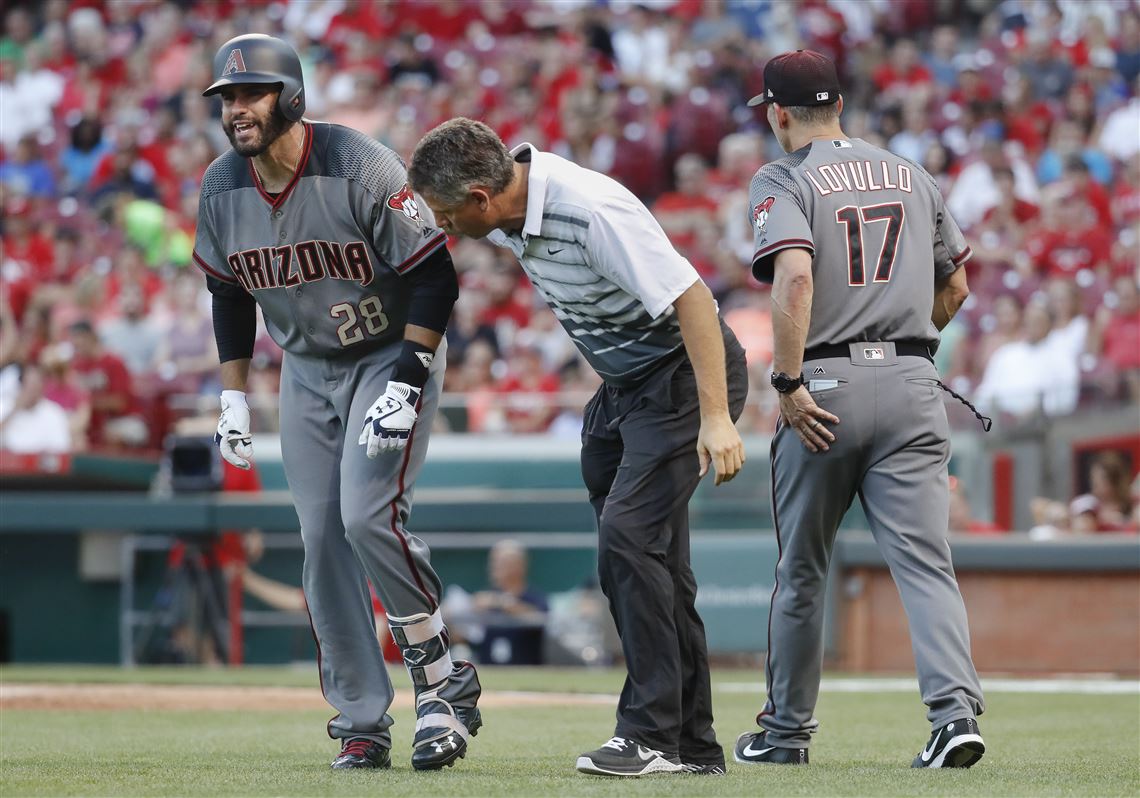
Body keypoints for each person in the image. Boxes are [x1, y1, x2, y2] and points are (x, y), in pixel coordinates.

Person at [408, 117, 749, 778]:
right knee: (654, 564)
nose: (445, 226)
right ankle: (694, 744)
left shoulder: (588, 212)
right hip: (624, 387)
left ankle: (649, 736)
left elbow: (695, 299)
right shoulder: (509, 207)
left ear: (482, 198)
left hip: (682, 377)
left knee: (627, 539)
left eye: (449, 213)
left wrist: (716, 418)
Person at [192, 34, 480, 772]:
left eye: (251, 93)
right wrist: (232, 397)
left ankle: (441, 684)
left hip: (390, 352)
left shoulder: (359, 164)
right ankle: (360, 718)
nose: (237, 110)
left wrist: (412, 376)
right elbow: (227, 292)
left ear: (291, 96)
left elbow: (435, 276)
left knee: (366, 517)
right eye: (227, 98)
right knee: (321, 543)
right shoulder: (222, 187)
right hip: (306, 366)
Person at [734, 50, 986, 770]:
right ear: (839, 105)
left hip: (823, 387)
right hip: (911, 382)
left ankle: (784, 734)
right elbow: (957, 289)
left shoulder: (783, 175)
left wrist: (787, 383)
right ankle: (953, 715)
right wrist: (905, 346)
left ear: (779, 113)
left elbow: (795, 276)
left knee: (803, 569)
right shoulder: (911, 171)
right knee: (926, 566)